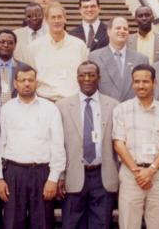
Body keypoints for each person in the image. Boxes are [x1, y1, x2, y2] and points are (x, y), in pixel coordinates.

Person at [0, 65, 65, 228]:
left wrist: (53, 179)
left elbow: (58, 147)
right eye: (22, 80)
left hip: (41, 173)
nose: (27, 84)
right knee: (12, 222)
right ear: (15, 84)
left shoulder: (50, 109)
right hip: (13, 173)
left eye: (30, 80)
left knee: (43, 223)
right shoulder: (6, 109)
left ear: (36, 83)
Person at [113, 64, 159, 229]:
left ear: (154, 82)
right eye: (137, 82)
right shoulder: (121, 109)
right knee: (128, 224)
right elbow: (118, 143)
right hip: (130, 175)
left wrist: (150, 170)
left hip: (158, 175)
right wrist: (137, 172)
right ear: (132, 83)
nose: (141, 85)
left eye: (145, 81)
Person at [56, 62, 120, 229]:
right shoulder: (62, 107)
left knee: (101, 224)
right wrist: (60, 176)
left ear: (99, 77)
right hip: (74, 175)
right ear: (77, 78)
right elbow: (58, 145)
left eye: (91, 75)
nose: (87, 79)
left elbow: (118, 144)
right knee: (71, 224)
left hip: (103, 175)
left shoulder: (113, 106)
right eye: (82, 75)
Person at [26, 1, 89, 101]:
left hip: (72, 100)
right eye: (53, 17)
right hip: (45, 101)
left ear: (65, 19)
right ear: (46, 20)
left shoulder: (79, 45)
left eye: (60, 17)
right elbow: (30, 76)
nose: (57, 21)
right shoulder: (34, 48)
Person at [89, 16, 148, 102]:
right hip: (106, 111)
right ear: (108, 31)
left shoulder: (141, 59)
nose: (122, 31)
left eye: (125, 29)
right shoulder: (94, 57)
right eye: (118, 28)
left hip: (133, 111)